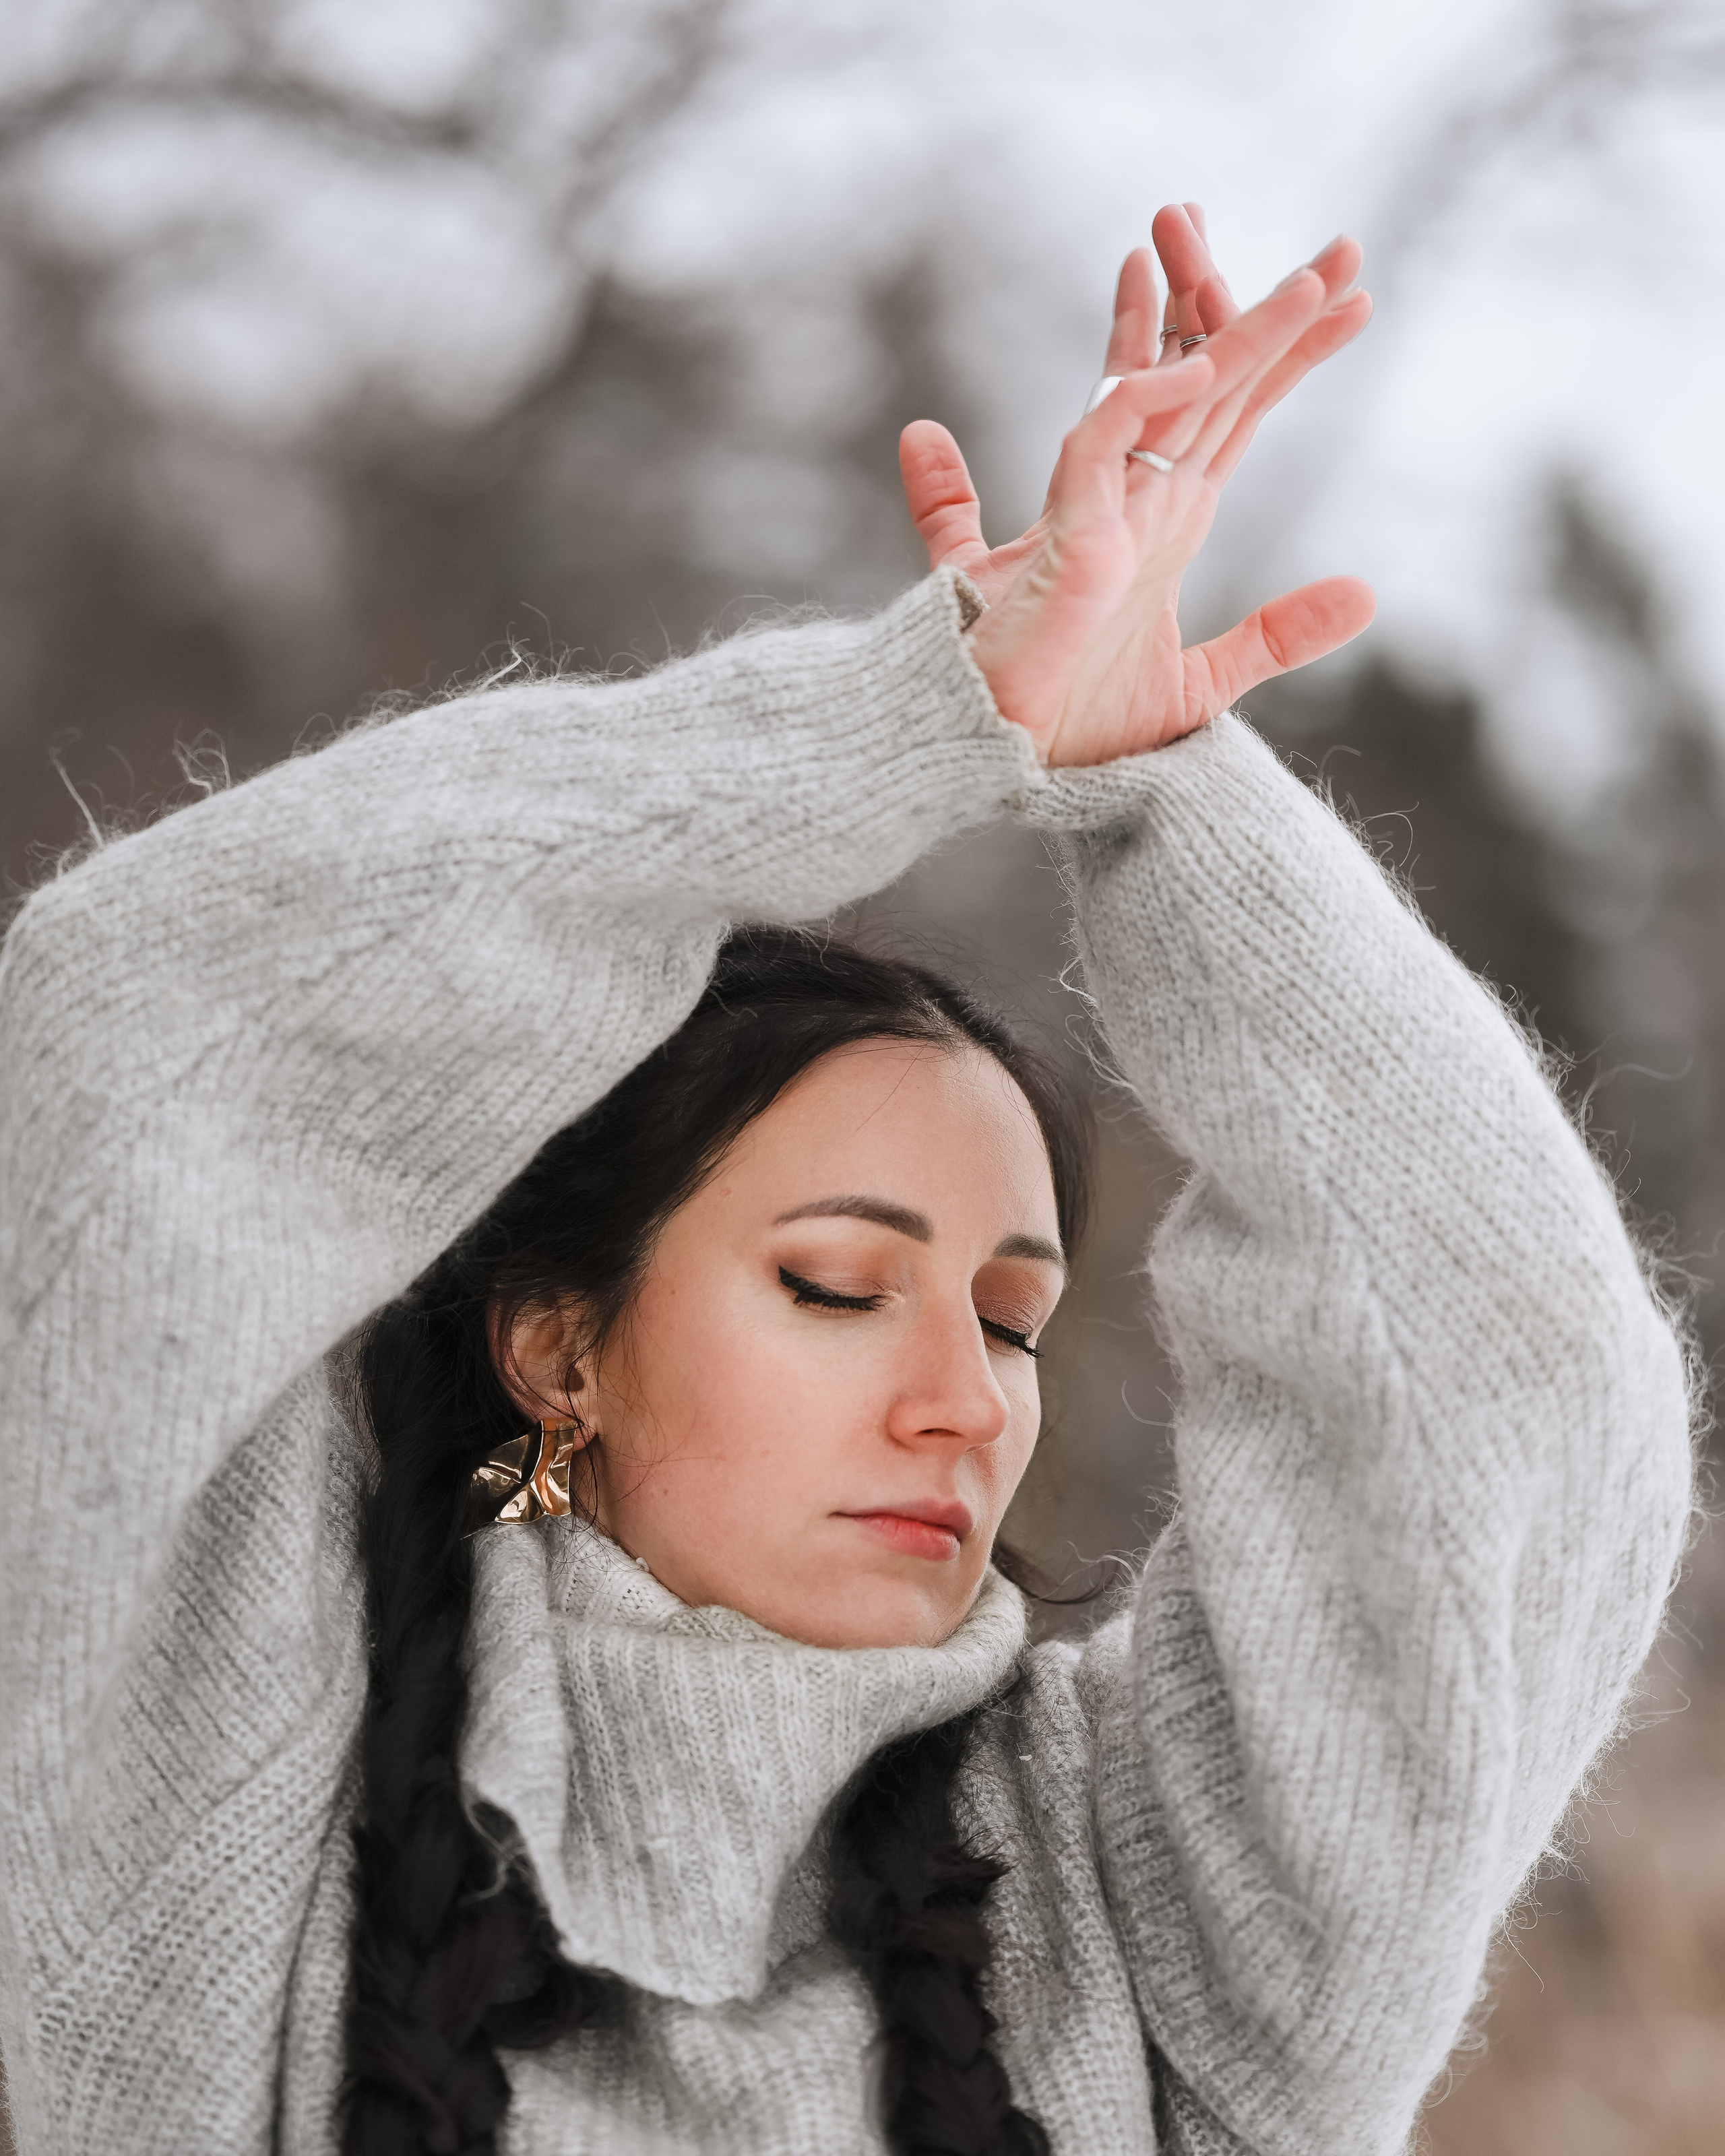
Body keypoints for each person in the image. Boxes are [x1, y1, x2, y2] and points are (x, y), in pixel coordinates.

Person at [0, 204, 1693, 2156]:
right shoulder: (217, 1820)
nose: (967, 1401)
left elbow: (1509, 1385)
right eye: (834, 1283)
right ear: (560, 1345)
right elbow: (129, 1046)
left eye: (1013, 1318)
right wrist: (906, 719)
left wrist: (1165, 788)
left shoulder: (1150, 1910)